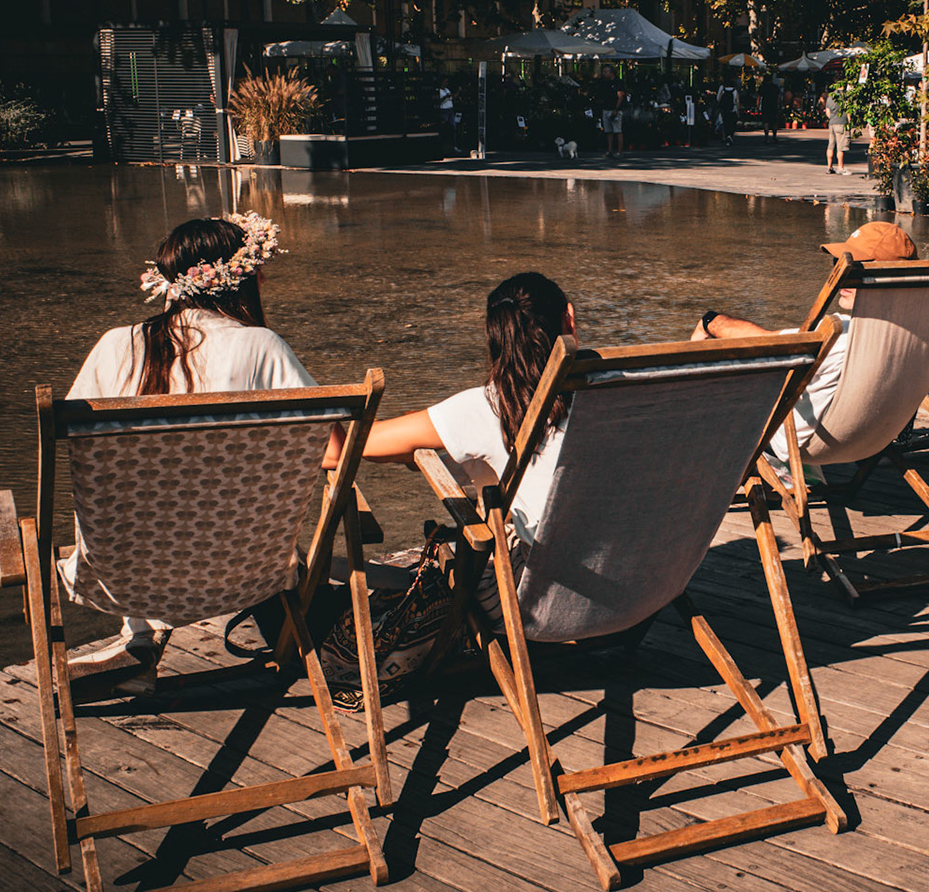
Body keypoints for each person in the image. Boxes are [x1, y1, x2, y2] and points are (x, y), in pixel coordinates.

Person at [62, 213, 311, 685]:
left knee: (149, 496)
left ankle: (140, 640)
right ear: (243, 278)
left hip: (124, 572)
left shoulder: (114, 346)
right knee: (216, 497)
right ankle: (146, 643)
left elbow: (82, 452)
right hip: (245, 566)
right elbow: (331, 451)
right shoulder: (261, 347)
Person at [328, 272, 575, 611]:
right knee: (489, 470)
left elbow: (351, 447)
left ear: (495, 336)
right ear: (569, 318)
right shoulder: (630, 391)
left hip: (545, 603)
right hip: (650, 586)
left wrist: (418, 448)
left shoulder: (489, 406)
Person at [692, 222, 929, 476]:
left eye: (857, 267)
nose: (841, 275)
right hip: (880, 438)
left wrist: (711, 322)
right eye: (840, 265)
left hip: (810, 443)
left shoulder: (839, 331)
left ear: (888, 273)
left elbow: (765, 343)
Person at [594, 66, 626, 157]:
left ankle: (619, 151)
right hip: (606, 108)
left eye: (605, 72)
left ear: (611, 72)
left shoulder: (618, 82)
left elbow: (620, 96)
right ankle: (610, 150)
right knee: (608, 131)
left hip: (615, 109)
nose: (604, 74)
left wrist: (616, 109)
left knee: (617, 130)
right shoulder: (604, 83)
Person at [823, 88, 850, 173]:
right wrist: (849, 121)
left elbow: (827, 112)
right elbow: (848, 111)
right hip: (841, 122)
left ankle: (829, 166)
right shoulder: (845, 96)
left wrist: (832, 118)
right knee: (840, 147)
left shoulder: (830, 97)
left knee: (831, 145)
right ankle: (840, 167)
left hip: (832, 123)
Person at [759, 74, 782, 141]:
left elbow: (759, 97)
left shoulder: (762, 87)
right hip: (774, 105)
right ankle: (774, 137)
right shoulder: (775, 87)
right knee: (774, 121)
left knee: (766, 121)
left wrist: (757, 106)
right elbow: (779, 97)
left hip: (765, 105)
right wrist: (780, 105)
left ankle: (766, 137)